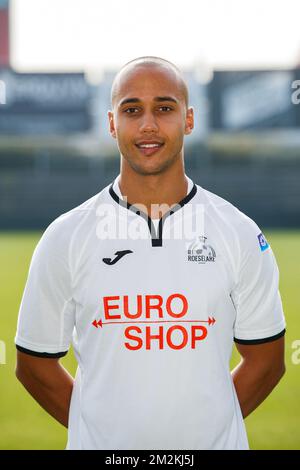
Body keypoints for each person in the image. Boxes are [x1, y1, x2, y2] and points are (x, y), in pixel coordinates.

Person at [15, 56, 286, 450]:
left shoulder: (238, 232)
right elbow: (34, 364)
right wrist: (103, 434)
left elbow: (267, 361)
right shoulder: (66, 236)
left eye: (164, 108)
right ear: (112, 123)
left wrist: (202, 434)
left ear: (189, 120)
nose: (148, 125)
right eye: (131, 110)